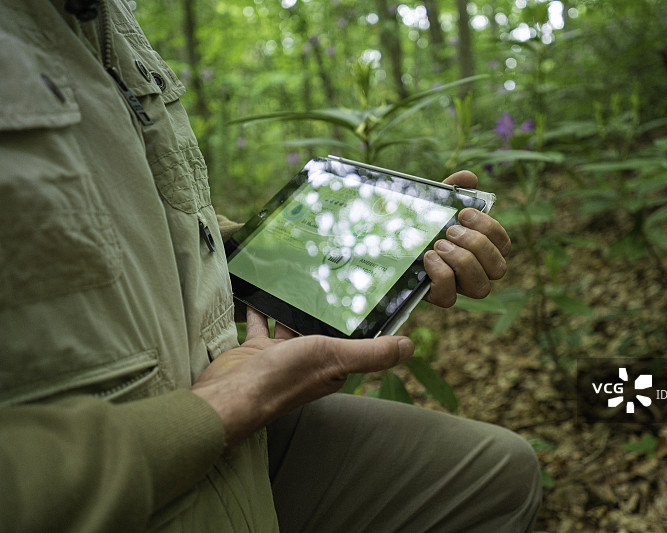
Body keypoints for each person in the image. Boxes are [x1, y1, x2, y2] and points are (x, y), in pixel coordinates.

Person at [0, 0, 542, 531]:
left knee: (498, 472)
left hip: (216, 410)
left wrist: (365, 242)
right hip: (127, 459)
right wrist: (219, 407)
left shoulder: (105, 18)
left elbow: (137, 232)